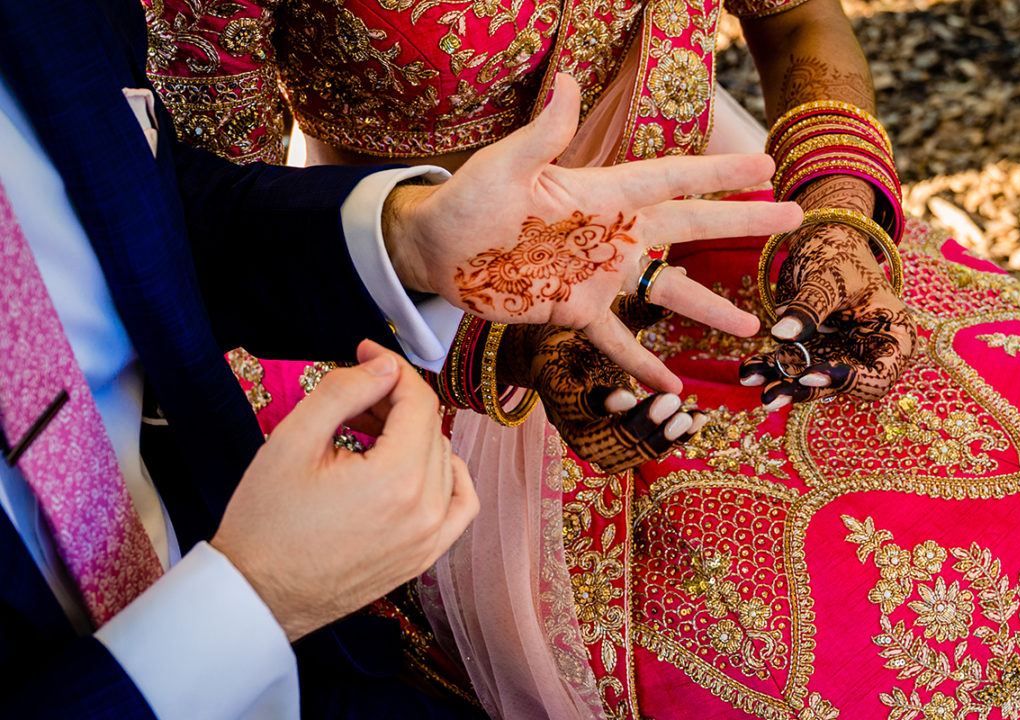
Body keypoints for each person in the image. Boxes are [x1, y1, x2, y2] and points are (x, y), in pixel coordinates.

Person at [145, 0, 1020, 716]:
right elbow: (217, 221)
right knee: (799, 643)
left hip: (689, 201)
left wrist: (839, 216)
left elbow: (795, 19)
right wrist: (507, 337)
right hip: (416, 305)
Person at [0, 1, 799, 719]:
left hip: (290, 561)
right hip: (270, 556)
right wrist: (253, 601)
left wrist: (410, 243)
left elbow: (157, 204)